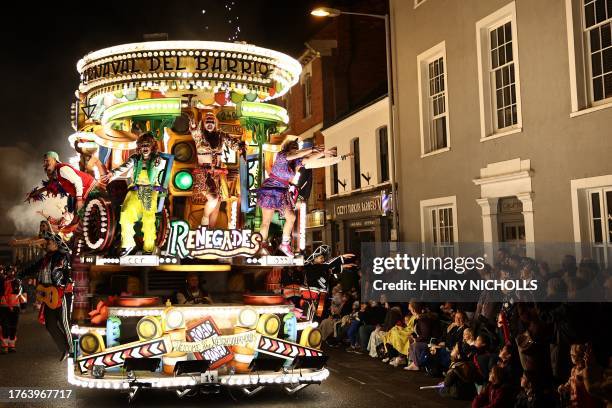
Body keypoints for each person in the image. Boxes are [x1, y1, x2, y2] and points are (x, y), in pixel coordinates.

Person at [256, 138, 350, 256]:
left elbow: (309, 159)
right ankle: (262, 245)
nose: (296, 150)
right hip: (271, 189)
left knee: (291, 217)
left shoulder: (296, 161)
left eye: (297, 147)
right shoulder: (282, 156)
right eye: (294, 147)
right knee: (266, 221)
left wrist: (323, 153)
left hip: (282, 192)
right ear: (288, 148)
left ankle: (285, 244)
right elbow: (295, 154)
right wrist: (311, 149)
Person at [101, 133, 167, 256]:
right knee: (126, 214)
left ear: (152, 146)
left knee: (148, 219)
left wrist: (157, 162)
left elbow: (160, 165)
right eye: (142, 145)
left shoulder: (156, 159)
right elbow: (123, 167)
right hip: (135, 190)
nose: (145, 148)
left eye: (147, 145)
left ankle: (148, 248)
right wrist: (112, 174)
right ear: (139, 147)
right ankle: (128, 244)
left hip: (149, 191)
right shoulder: (135, 159)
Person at [20, 231, 73, 361]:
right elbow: (32, 268)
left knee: (65, 323)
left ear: (56, 244)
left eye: (49, 242)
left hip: (60, 294)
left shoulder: (62, 255)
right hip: (48, 295)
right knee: (50, 324)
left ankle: (73, 350)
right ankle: (64, 349)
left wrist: (50, 232)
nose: (47, 244)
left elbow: (65, 251)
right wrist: (19, 275)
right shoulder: (46, 258)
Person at [189, 112, 245, 227]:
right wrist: (194, 126)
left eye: (212, 121)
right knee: (213, 199)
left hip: (217, 174)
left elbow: (233, 143)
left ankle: (210, 229)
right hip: (203, 173)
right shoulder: (200, 136)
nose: (210, 124)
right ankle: (204, 220)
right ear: (203, 124)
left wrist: (241, 148)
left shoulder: (221, 136)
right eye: (207, 122)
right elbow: (195, 132)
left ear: (215, 123)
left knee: (217, 202)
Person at [26, 151, 97, 213]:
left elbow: (77, 181)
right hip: (87, 194)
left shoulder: (62, 169)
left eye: (47, 160)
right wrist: (32, 194)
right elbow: (46, 188)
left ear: (55, 160)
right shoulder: (58, 177)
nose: (45, 163)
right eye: (44, 161)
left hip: (93, 189)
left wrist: (79, 200)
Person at [0, 270, 26, 353]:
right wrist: (23, 306)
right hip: (14, 306)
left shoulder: (2, 282)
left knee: (6, 326)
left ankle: (6, 346)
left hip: (5, 306)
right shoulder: (18, 283)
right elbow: (23, 295)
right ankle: (10, 345)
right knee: (12, 326)